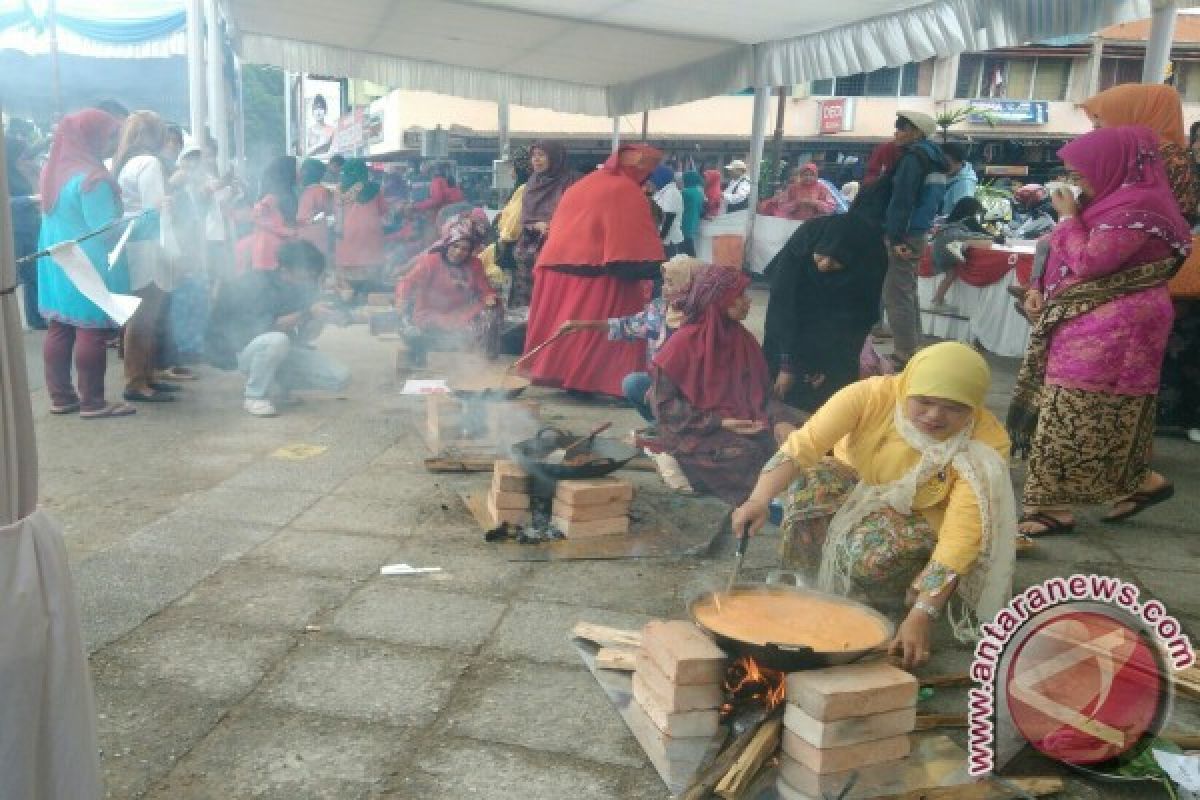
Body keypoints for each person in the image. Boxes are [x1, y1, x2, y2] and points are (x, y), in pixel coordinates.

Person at [731, 342, 1016, 669]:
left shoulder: (985, 446)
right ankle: (803, 591)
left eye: (954, 407)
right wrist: (758, 500)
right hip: (860, 479)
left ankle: (882, 610)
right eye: (924, 402)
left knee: (868, 553)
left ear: (974, 407)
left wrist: (923, 613)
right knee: (807, 490)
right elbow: (804, 446)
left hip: (926, 513)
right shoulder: (871, 395)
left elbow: (962, 534)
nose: (935, 415)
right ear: (908, 386)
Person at [1010, 126, 1191, 536]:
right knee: (1097, 413)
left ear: (1113, 165)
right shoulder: (1111, 202)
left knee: (1073, 412)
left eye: (1083, 172)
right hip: (1093, 320)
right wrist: (1039, 287)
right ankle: (1141, 482)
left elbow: (1091, 262)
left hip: (1118, 326)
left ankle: (1052, 506)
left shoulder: (1138, 208)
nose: (1077, 182)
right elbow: (1054, 248)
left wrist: (1069, 218)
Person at [520, 143, 665, 397]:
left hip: (555, 265)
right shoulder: (625, 188)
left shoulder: (586, 183)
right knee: (600, 327)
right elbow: (632, 246)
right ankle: (597, 382)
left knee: (567, 326)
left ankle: (567, 378)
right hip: (595, 272)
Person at [650, 266, 799, 504]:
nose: (747, 302)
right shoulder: (681, 344)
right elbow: (664, 407)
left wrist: (781, 420)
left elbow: (766, 396)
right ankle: (680, 464)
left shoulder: (745, 341)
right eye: (740, 296)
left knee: (804, 439)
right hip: (695, 431)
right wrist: (721, 422)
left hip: (748, 423)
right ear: (718, 300)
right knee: (748, 456)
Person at [36, 108, 135, 418]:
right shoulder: (93, 179)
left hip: (56, 259)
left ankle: (61, 397)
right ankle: (93, 402)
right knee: (90, 329)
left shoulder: (52, 171)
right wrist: (143, 219)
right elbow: (106, 230)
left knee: (60, 327)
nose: (113, 143)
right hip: (87, 263)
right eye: (109, 136)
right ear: (89, 137)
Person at [553, 255, 704, 424]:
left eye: (671, 283)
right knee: (633, 383)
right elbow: (627, 325)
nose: (664, 288)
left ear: (690, 285)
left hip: (695, 389)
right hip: (663, 386)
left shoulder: (705, 318)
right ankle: (660, 427)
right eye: (664, 282)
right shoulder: (660, 310)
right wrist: (580, 325)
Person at [209, 240, 349, 417]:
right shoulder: (256, 283)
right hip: (239, 351)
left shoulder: (300, 288)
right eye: (307, 273)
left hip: (271, 348)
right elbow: (267, 328)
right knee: (276, 341)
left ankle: (279, 389)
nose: (311, 279)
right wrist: (308, 313)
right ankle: (254, 396)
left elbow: (302, 338)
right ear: (285, 270)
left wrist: (321, 319)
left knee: (339, 377)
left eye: (313, 274)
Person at [763, 212, 888, 412]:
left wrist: (826, 366)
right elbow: (783, 311)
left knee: (830, 402)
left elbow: (854, 327)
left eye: (838, 261)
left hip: (835, 346)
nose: (824, 266)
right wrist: (788, 366)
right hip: (788, 336)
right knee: (782, 401)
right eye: (821, 256)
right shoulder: (801, 248)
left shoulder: (868, 265)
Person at [115, 110, 177, 403]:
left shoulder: (126, 163)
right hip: (149, 243)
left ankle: (144, 375)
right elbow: (156, 210)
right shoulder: (149, 163)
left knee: (142, 314)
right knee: (145, 315)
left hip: (134, 241)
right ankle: (137, 380)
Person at [881, 111, 948, 367]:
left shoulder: (913, 158)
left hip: (906, 233)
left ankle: (904, 353)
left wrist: (896, 237)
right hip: (919, 230)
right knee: (907, 291)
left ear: (916, 132)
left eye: (901, 127)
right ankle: (914, 345)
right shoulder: (935, 158)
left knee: (895, 293)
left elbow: (902, 199)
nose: (896, 132)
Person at [395, 210, 500, 367]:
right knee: (423, 332)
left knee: (493, 309)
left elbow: (485, 289)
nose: (459, 252)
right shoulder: (430, 261)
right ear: (447, 244)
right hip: (431, 313)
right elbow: (407, 282)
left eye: (465, 249)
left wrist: (490, 297)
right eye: (455, 246)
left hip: (461, 312)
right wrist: (402, 299)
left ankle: (483, 356)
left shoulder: (475, 264)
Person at [1080, 83, 1198, 222]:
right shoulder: (1135, 154)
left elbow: (1135, 216)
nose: (1095, 130)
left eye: (1099, 123)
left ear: (1131, 117)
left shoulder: (1169, 160)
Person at [512, 141, 572, 307]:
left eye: (541, 155)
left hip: (561, 242)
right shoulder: (532, 182)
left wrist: (555, 226)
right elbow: (526, 215)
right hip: (531, 241)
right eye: (533, 156)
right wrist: (536, 224)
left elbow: (576, 211)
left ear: (554, 158)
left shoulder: (571, 181)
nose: (536, 160)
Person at [335, 158, 386, 305]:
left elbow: (337, 212)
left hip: (347, 237)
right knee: (371, 282)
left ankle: (351, 305)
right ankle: (369, 306)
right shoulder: (375, 189)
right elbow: (383, 210)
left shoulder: (339, 190)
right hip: (370, 236)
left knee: (349, 281)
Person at [929, 197, 994, 312]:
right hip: (945, 253)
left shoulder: (950, 220)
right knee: (950, 275)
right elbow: (968, 236)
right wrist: (989, 238)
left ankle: (937, 300)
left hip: (940, 250)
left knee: (950, 275)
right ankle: (937, 301)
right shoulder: (960, 224)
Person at [9, 135, 44, 329]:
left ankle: (35, 318)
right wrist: (31, 199)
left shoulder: (19, 170)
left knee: (33, 275)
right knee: (12, 277)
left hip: (30, 227)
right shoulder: (6, 173)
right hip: (13, 230)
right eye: (19, 153)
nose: (23, 157)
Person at [249, 156, 298, 271]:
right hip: (268, 250)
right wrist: (285, 231)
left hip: (279, 248)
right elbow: (256, 216)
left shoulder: (287, 194)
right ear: (287, 172)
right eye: (296, 169)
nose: (299, 173)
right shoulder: (272, 196)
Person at [759, 163, 838, 220]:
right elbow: (782, 206)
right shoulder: (793, 188)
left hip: (815, 224)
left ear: (816, 176)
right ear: (801, 176)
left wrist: (815, 203)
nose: (808, 177)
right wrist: (797, 203)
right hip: (795, 223)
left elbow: (831, 207)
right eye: (805, 175)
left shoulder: (822, 189)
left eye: (811, 175)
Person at [297, 157, 334, 260]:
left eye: (303, 171)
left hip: (315, 241)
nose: (300, 174)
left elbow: (328, 215)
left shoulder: (320, 191)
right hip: (307, 240)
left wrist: (309, 221)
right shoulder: (308, 190)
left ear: (309, 173)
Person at [649, 165, 685, 258]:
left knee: (670, 270)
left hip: (670, 241)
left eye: (652, 179)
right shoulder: (662, 192)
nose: (650, 182)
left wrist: (660, 240)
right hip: (664, 240)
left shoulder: (671, 193)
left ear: (659, 178)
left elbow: (669, 218)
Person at [940, 143, 977, 216]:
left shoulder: (965, 184)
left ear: (961, 162)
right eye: (941, 162)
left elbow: (962, 215)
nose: (943, 166)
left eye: (947, 163)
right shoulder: (952, 176)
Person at [680, 171, 705, 257]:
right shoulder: (699, 193)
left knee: (686, 251)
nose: (682, 181)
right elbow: (701, 210)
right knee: (689, 249)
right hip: (694, 224)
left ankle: (693, 268)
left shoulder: (685, 193)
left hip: (684, 224)